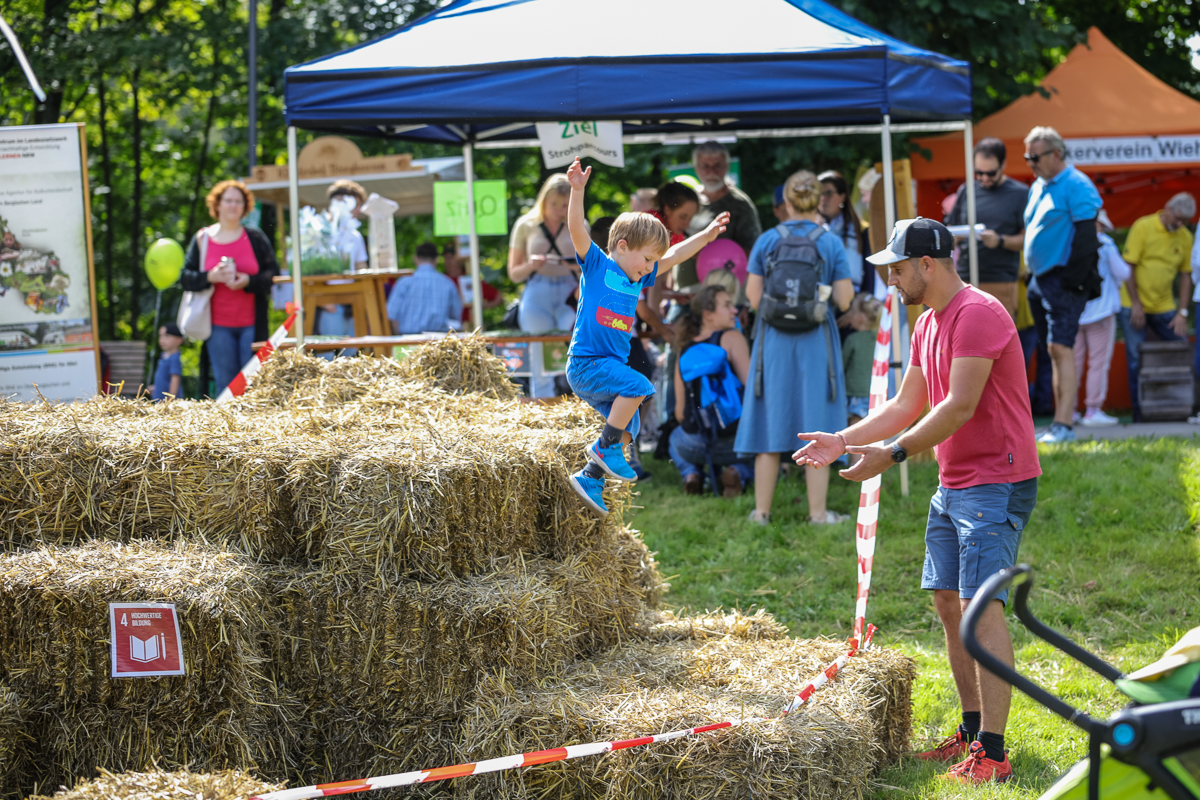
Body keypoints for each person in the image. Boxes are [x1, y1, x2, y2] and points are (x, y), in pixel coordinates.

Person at [794, 217, 1041, 785]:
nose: (891, 280)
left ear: (928, 264)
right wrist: (845, 438)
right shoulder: (929, 320)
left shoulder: (977, 314)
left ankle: (995, 754)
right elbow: (908, 403)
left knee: (983, 607)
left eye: (897, 268)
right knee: (950, 606)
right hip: (957, 480)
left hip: (995, 480)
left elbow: (958, 406)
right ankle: (973, 730)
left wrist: (893, 455)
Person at [562, 157, 729, 517]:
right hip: (587, 364)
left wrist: (707, 235)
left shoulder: (637, 277)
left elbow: (676, 255)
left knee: (631, 426)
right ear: (622, 246)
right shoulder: (598, 267)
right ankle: (602, 450)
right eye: (647, 258)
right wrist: (578, 191)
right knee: (640, 385)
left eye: (654, 261)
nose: (651, 267)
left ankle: (590, 477)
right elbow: (577, 229)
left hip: (608, 366)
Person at [735, 170, 854, 526]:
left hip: (773, 341)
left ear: (785, 202)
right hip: (816, 340)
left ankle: (761, 512)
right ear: (818, 201)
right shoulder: (830, 243)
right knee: (817, 421)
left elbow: (754, 298)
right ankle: (818, 514)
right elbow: (846, 299)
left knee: (770, 420)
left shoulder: (768, 241)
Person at [1022, 126, 1103, 444]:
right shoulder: (1038, 185)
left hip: (1063, 278)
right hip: (1039, 280)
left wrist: (1072, 280)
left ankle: (1064, 424)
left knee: (1061, 347)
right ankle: (1058, 423)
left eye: (1035, 156)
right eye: (1027, 156)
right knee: (1052, 349)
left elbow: (1087, 237)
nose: (1030, 162)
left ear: (1056, 154)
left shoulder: (1077, 184)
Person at [180, 179, 280, 396]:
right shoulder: (202, 238)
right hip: (217, 326)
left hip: (252, 324)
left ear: (245, 207)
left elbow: (274, 274)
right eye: (228, 201)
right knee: (226, 385)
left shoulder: (255, 237)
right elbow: (185, 278)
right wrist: (211, 276)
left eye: (238, 201)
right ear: (217, 204)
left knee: (254, 384)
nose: (233, 205)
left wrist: (248, 281)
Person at [669, 285, 754, 496]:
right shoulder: (733, 339)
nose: (734, 310)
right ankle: (737, 472)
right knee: (768, 456)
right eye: (727, 305)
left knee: (673, 438)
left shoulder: (684, 350)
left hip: (693, 444)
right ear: (708, 314)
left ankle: (692, 474)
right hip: (735, 443)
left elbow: (680, 413)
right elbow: (752, 393)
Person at [1118, 192, 1195, 421]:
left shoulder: (1184, 237)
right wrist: (1137, 305)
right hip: (1133, 304)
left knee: (1181, 347)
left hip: (1164, 306)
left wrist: (1182, 311)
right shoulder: (1143, 226)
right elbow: (1127, 268)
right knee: (1135, 358)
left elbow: (1185, 276)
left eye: (1185, 222)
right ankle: (1139, 414)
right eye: (1178, 218)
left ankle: (1183, 408)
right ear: (1167, 209)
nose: (1179, 224)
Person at [508, 173, 581, 397]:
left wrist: (576, 266)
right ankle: (543, 414)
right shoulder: (526, 225)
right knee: (540, 356)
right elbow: (514, 273)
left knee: (574, 348)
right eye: (554, 204)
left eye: (565, 205)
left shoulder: (578, 223)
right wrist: (531, 265)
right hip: (537, 291)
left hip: (570, 291)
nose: (559, 210)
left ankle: (577, 404)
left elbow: (591, 265)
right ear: (544, 201)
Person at [943, 138, 1029, 319]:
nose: (984, 178)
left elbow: (1028, 239)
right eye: (978, 172)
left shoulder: (1019, 193)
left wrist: (1000, 241)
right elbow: (949, 229)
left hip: (1000, 280)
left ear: (1003, 165)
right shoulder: (966, 190)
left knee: (996, 340)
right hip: (965, 279)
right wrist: (954, 237)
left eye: (990, 173)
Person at [678, 141, 762, 291]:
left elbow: (754, 253)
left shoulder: (741, 205)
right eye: (705, 166)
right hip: (686, 293)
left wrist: (712, 255)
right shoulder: (687, 201)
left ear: (727, 167)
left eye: (717, 165)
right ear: (696, 168)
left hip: (725, 295)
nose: (711, 171)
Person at [1073, 211, 1129, 426]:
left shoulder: (1070, 240)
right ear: (1097, 223)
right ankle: (1092, 411)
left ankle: (1068, 412)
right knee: (1098, 363)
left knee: (1072, 363)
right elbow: (1123, 273)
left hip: (1075, 311)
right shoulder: (1105, 244)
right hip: (1101, 312)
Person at [386, 242, 462, 334]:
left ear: (415, 258)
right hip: (438, 342)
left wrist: (399, 339)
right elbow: (456, 316)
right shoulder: (448, 283)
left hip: (407, 341)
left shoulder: (403, 283)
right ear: (436, 260)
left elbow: (392, 315)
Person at [818, 171, 870, 294]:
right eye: (820, 194)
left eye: (829, 193)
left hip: (852, 297)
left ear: (843, 196)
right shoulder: (811, 229)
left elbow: (869, 273)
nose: (823, 198)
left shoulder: (860, 228)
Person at [840, 293, 883, 425]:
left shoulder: (852, 339)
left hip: (855, 394)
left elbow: (841, 365)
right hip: (875, 393)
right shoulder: (880, 340)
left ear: (859, 318)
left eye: (851, 312)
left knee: (854, 428)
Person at [444, 242, 501, 328]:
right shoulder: (441, 280)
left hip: (469, 327)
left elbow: (498, 298)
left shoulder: (469, 280)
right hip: (445, 327)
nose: (448, 261)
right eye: (446, 257)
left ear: (461, 259)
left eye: (452, 257)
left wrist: (478, 307)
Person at [150, 323, 184, 401]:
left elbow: (175, 380)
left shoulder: (174, 359)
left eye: (167, 336)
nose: (162, 339)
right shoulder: (163, 357)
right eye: (160, 336)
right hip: (160, 402)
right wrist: (156, 387)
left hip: (167, 404)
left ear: (179, 340)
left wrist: (170, 400)